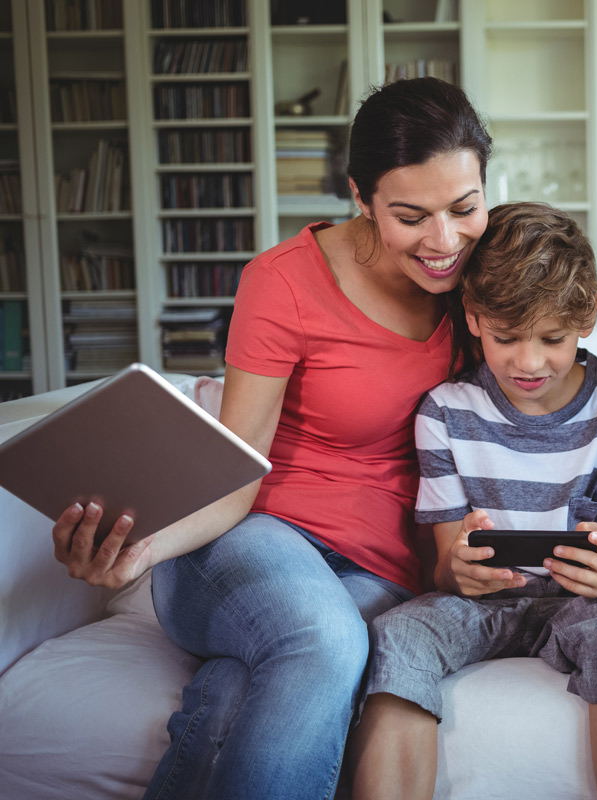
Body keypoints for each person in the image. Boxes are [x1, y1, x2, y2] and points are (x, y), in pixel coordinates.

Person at [47, 77, 492, 800]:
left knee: (236, 689)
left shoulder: (482, 276)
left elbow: (556, 359)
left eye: (464, 208)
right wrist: (140, 554)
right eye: (411, 216)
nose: (444, 242)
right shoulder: (282, 283)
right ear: (360, 196)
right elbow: (235, 472)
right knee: (325, 641)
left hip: (381, 570)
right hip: (248, 538)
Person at [344, 201, 597, 800]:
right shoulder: (445, 412)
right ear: (473, 317)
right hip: (485, 607)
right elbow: (446, 568)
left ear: (587, 316)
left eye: (552, 339)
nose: (528, 362)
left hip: (588, 605)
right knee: (399, 632)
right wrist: (458, 570)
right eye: (506, 337)